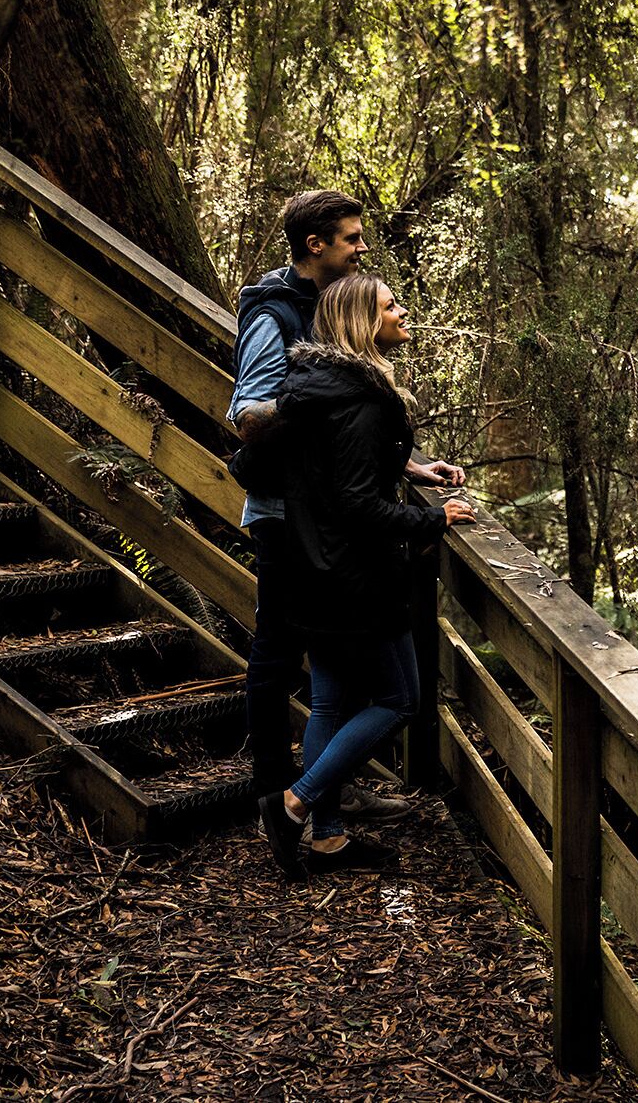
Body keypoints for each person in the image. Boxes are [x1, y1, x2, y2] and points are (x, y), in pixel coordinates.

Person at [231, 191, 463, 816]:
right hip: (288, 516)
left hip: (323, 513)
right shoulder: (274, 315)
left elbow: (345, 444)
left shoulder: (324, 308)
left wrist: (406, 465)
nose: (362, 248)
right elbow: (247, 417)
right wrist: (317, 402)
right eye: (353, 238)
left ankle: (320, 805)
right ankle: (277, 792)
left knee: (329, 684)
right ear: (317, 245)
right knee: (277, 655)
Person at [255, 275, 476, 878]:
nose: (403, 312)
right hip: (354, 576)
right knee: (400, 699)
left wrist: (416, 467)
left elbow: (341, 465)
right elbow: (358, 502)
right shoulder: (364, 399)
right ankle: (294, 804)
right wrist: (429, 519)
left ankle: (327, 838)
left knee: (330, 699)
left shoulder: (314, 387)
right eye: (390, 306)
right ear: (363, 323)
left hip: (312, 567)